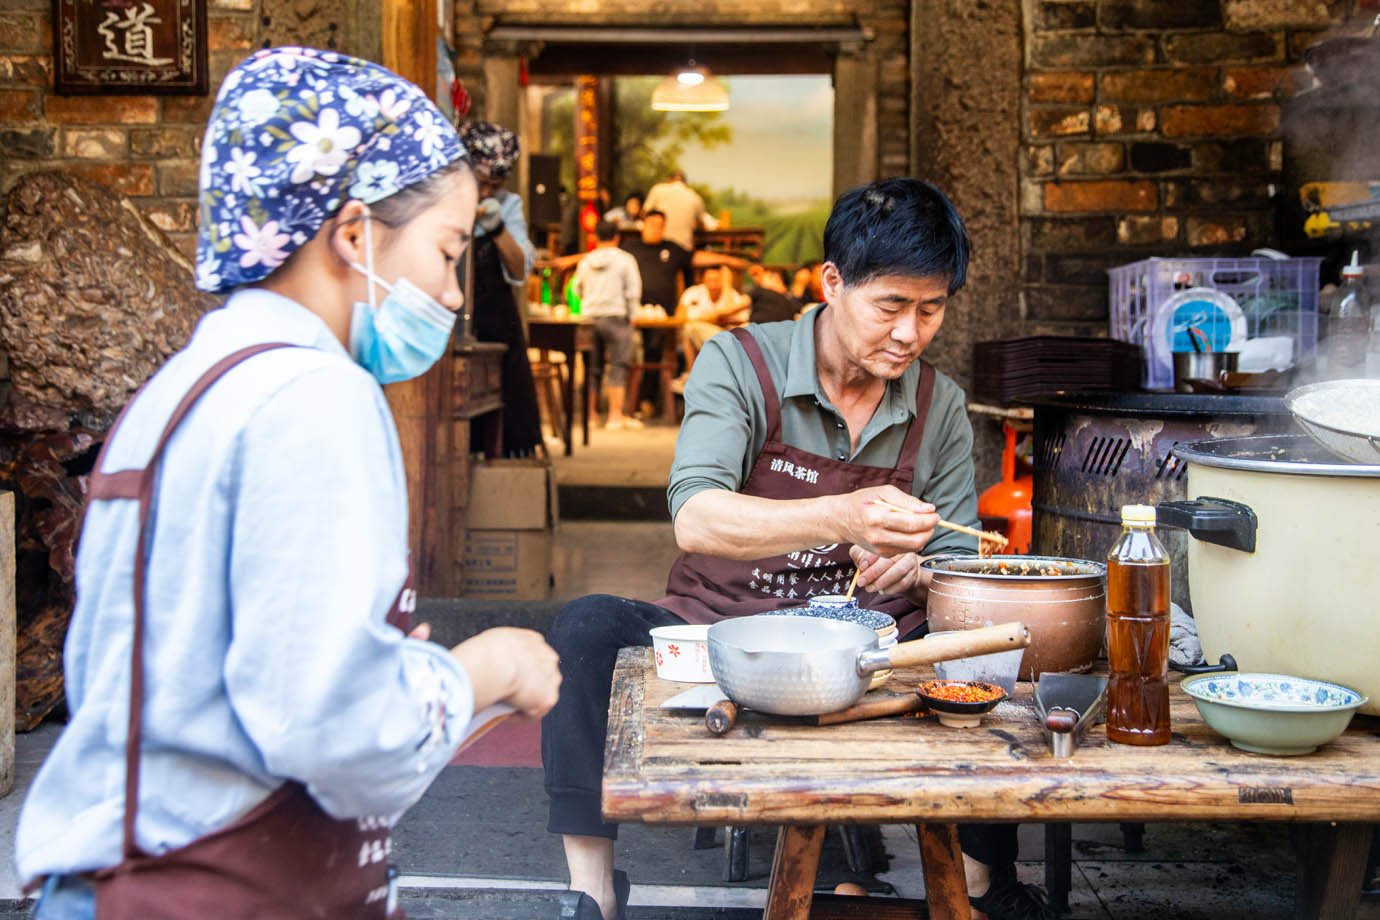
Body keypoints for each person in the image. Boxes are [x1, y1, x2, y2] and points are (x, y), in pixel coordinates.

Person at [15, 47, 562, 919]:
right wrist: (481, 671)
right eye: (448, 250)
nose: (456, 294)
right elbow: (332, 729)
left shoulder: (190, 384)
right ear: (353, 235)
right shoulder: (315, 397)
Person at [542, 178, 1055, 920]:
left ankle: (980, 888)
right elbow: (698, 517)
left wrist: (914, 574)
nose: (910, 333)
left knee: (979, 653)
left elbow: (953, 566)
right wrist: (843, 515)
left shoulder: (936, 402)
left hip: (868, 649)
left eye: (931, 309)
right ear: (832, 283)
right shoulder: (741, 363)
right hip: (720, 630)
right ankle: (592, 892)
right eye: (891, 306)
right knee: (585, 632)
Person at [459, 120, 544, 457]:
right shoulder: (443, 197)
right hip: (454, 319)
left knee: (507, 412)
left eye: (495, 185)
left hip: (496, 320)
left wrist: (496, 230)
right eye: (481, 184)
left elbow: (519, 267)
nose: (487, 194)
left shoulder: (507, 205)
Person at [571, 220, 643, 430]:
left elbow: (576, 288)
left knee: (592, 369)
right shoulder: (625, 260)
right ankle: (614, 416)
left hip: (590, 318)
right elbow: (633, 291)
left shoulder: (586, 261)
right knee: (618, 366)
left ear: (595, 236)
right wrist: (633, 315)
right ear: (616, 237)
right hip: (616, 317)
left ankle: (591, 417)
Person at [677, 264, 751, 378]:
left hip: (724, 338)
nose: (713, 285)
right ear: (702, 280)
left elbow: (741, 320)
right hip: (701, 337)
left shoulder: (732, 294)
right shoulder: (693, 293)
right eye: (709, 280)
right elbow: (680, 317)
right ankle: (691, 374)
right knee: (688, 328)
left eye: (717, 280)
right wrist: (713, 319)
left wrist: (727, 287)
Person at [643, 170, 714, 286]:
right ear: (685, 183)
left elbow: (645, 214)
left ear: (669, 180)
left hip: (660, 247)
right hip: (684, 249)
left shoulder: (659, 190)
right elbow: (702, 223)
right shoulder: (695, 197)